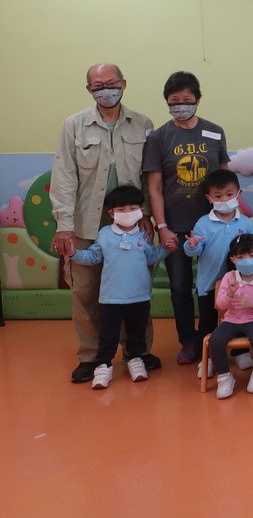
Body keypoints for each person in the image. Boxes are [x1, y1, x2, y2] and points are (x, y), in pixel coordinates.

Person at [50, 63, 160, 384]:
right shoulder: (74, 125)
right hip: (85, 222)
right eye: (98, 86)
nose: (106, 90)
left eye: (111, 83)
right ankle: (91, 357)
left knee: (134, 287)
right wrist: (64, 224)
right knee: (85, 292)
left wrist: (147, 216)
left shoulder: (143, 124)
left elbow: (149, 177)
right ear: (89, 89)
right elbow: (64, 176)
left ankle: (137, 351)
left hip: (132, 221)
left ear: (123, 84)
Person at [143, 71, 230, 366]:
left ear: (198, 100)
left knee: (215, 284)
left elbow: (226, 178)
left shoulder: (215, 132)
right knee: (180, 287)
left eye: (187, 100)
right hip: (176, 228)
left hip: (214, 225)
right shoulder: (158, 137)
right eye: (174, 101)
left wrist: (234, 213)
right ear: (167, 102)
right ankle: (189, 341)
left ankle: (215, 336)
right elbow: (155, 188)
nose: (181, 106)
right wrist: (162, 227)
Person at [70, 185, 169, 389]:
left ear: (141, 211)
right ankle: (103, 365)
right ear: (111, 213)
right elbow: (93, 256)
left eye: (133, 208)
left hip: (139, 297)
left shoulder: (143, 234)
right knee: (108, 335)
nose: (127, 213)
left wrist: (167, 248)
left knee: (137, 332)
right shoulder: (105, 234)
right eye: (121, 209)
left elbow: (151, 256)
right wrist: (73, 254)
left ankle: (135, 359)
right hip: (110, 299)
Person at [183, 169, 253, 379]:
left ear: (238, 194)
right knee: (208, 322)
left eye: (229, 194)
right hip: (209, 283)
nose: (224, 200)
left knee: (240, 317)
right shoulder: (203, 223)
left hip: (241, 283)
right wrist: (192, 245)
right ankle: (208, 359)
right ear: (209, 198)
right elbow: (194, 251)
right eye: (218, 196)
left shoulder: (245, 222)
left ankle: (240, 353)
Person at [210, 234, 253, 399]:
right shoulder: (229, 277)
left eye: (252, 255)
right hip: (232, 320)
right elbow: (220, 304)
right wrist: (229, 293)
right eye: (241, 257)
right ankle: (225, 377)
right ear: (233, 259)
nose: (247, 260)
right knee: (215, 340)